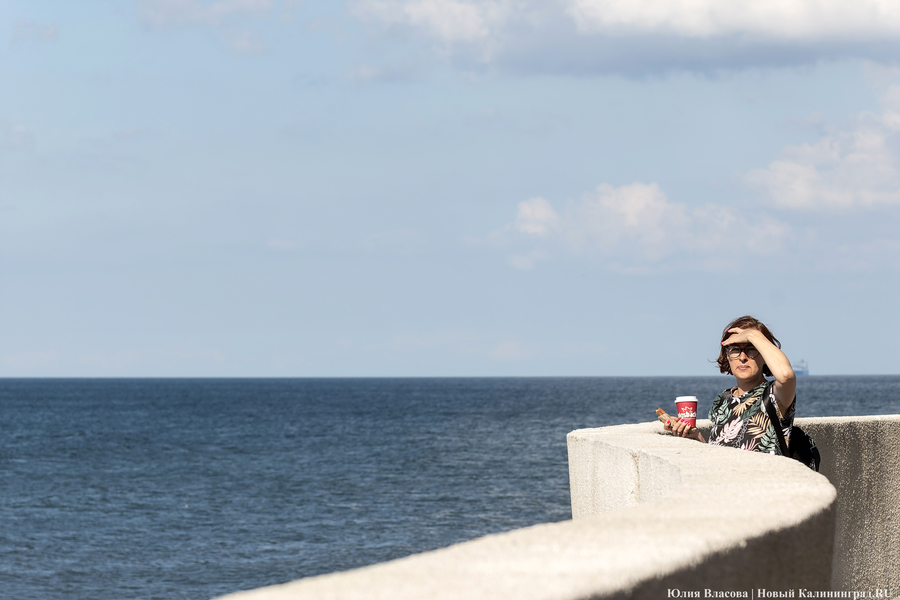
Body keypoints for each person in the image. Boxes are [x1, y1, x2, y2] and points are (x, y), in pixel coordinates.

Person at [664, 315, 796, 454]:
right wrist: (695, 437)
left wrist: (753, 335)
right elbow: (719, 455)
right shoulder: (722, 400)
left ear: (765, 356)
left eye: (752, 348)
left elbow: (786, 375)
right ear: (727, 355)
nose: (743, 357)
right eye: (735, 349)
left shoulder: (774, 394)